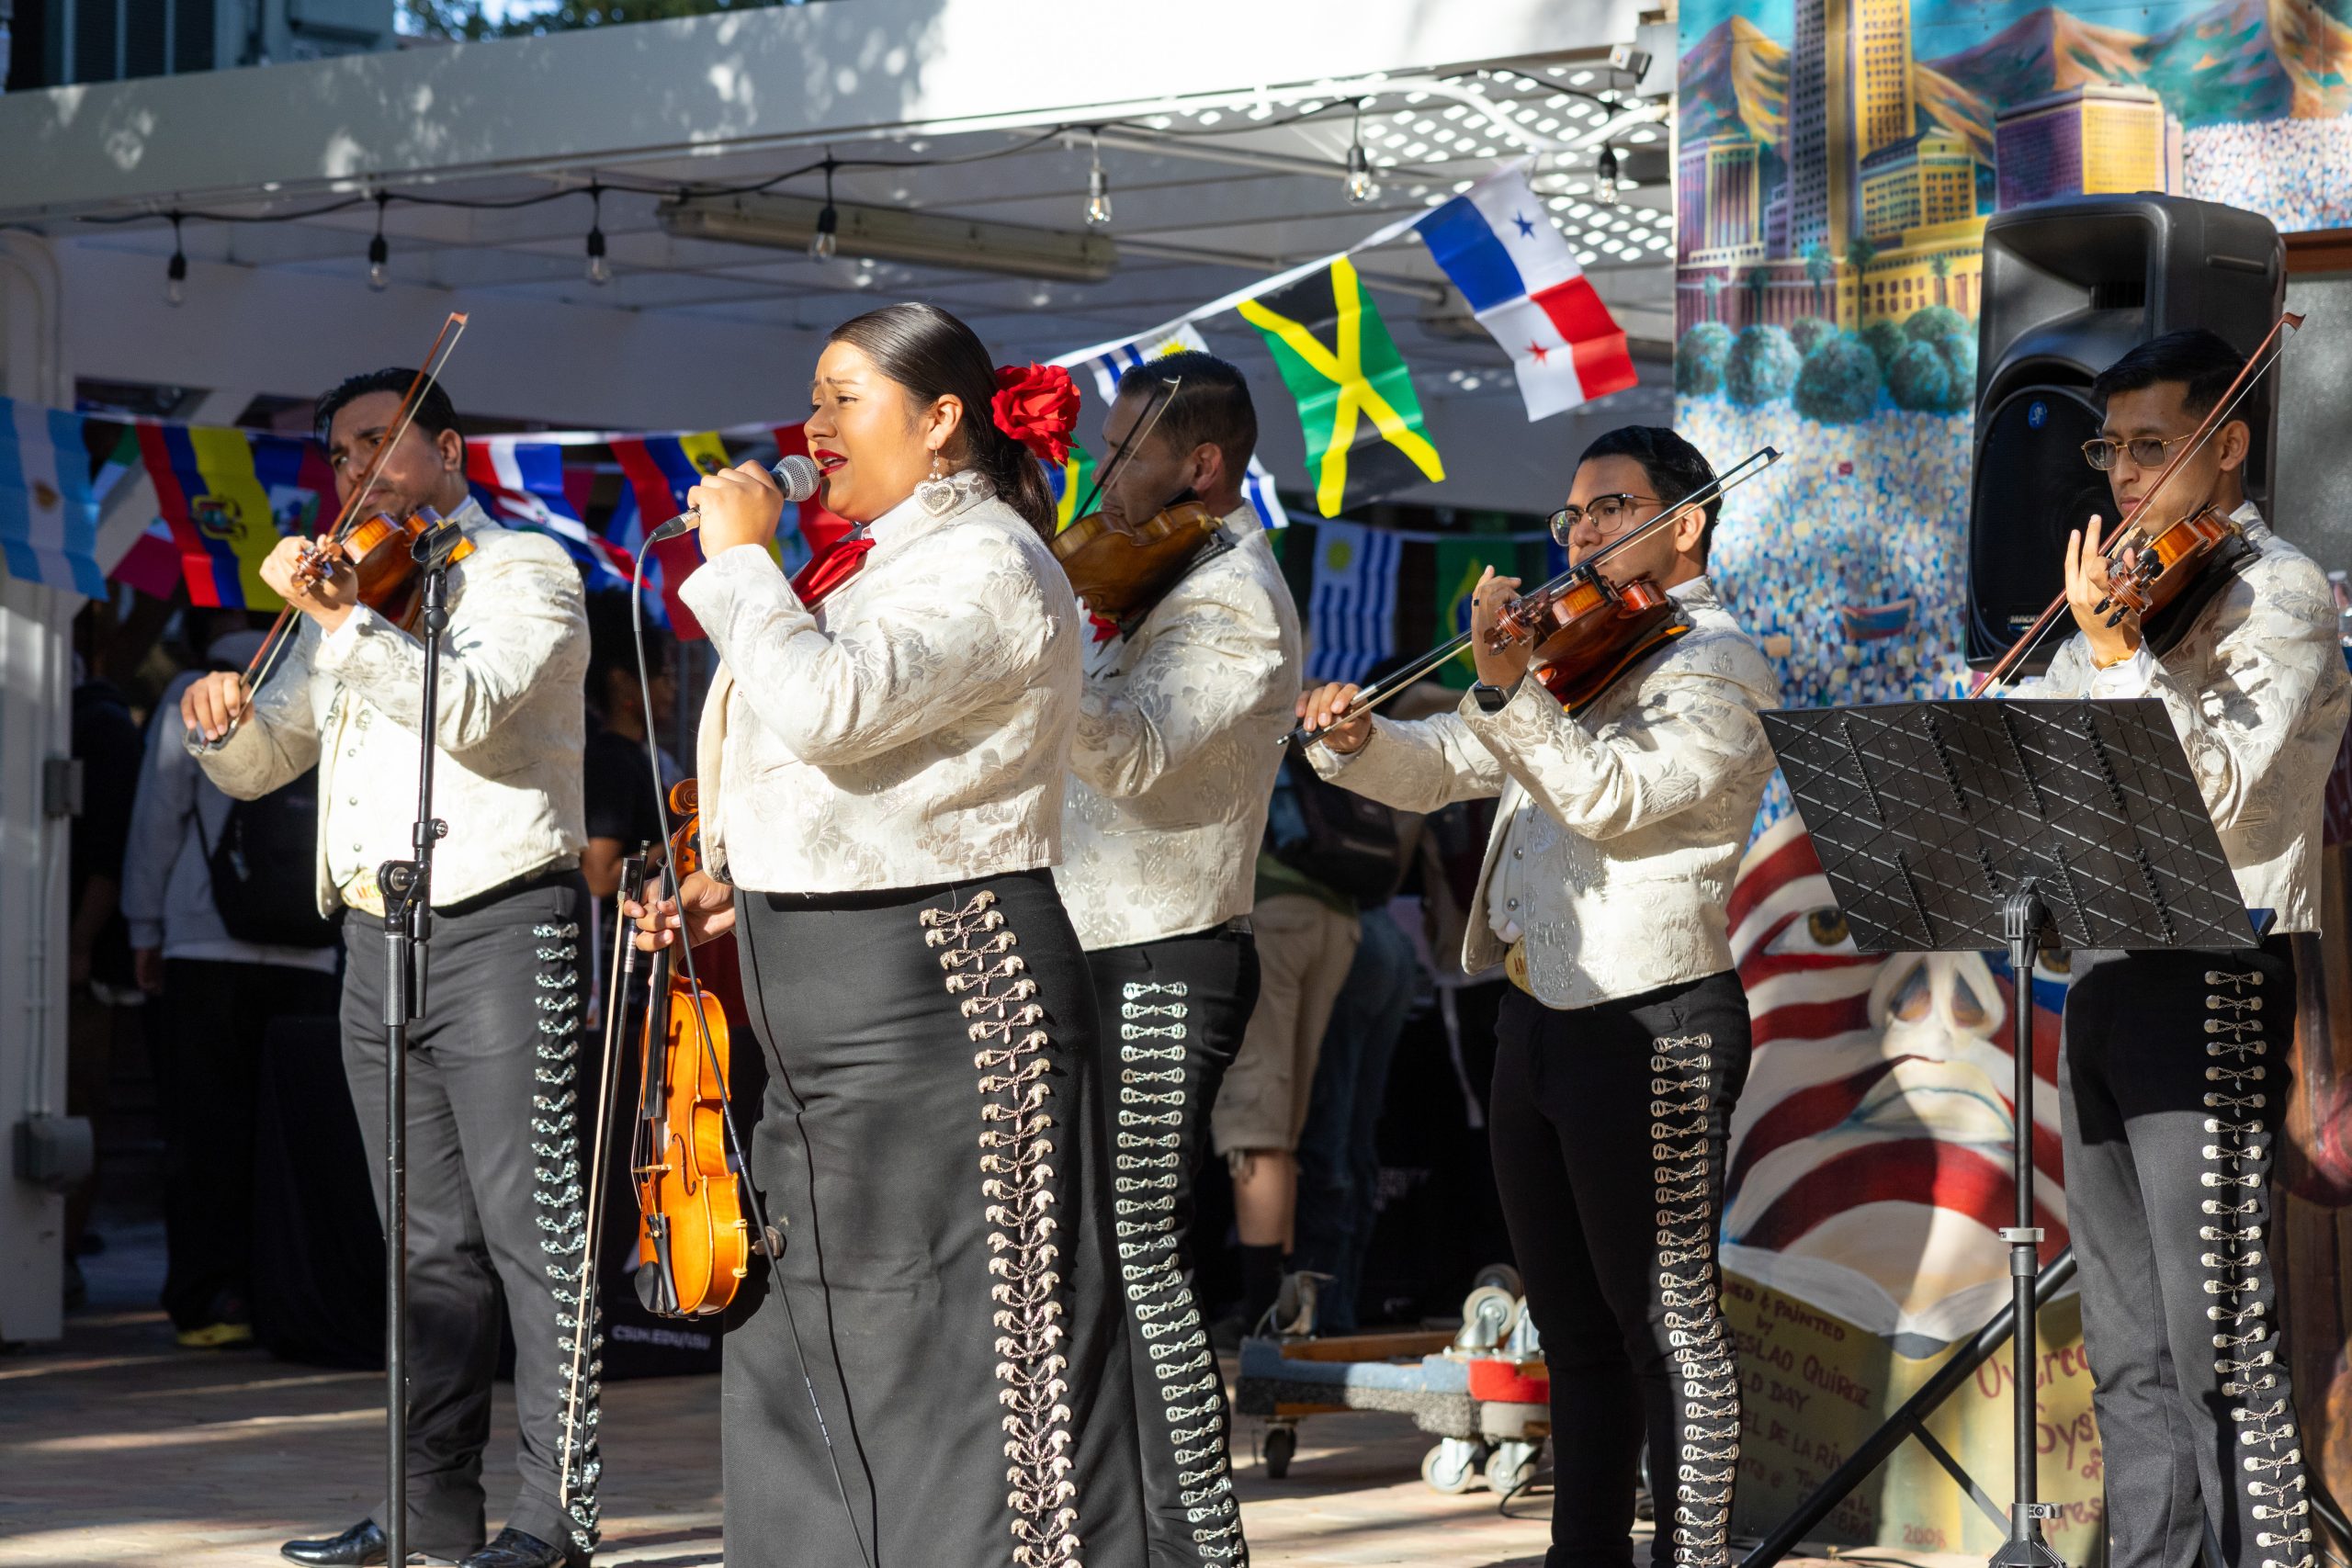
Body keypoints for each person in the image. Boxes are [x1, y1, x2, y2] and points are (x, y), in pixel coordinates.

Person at [629, 302, 1147, 1566]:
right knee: (799, 1345)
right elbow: (846, 774)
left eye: (844, 396)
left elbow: (835, 706)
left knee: (960, 1358)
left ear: (942, 417)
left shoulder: (992, 561)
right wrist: (728, 874)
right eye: (813, 396)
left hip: (943, 991)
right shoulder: (871, 563)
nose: (812, 427)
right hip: (818, 993)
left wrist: (742, 557)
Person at [1296, 426, 1781, 1568]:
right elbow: (1446, 767)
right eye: (1572, 517)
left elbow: (1614, 799)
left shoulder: (1722, 665)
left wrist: (1517, 695)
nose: (1582, 536)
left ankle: (1693, 1556)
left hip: (1654, 1020)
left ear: (1686, 522)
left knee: (1667, 1327)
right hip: (1536, 1014)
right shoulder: (1575, 656)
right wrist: (1353, 746)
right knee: (1574, 1331)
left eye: (1611, 509)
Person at [182, 367, 594, 1568]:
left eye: (378, 441)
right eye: (340, 452)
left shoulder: (527, 571)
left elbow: (465, 709)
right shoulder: (355, 588)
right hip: (376, 928)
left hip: (505, 912)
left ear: (450, 450)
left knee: (534, 1235)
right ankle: (427, 1517)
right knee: (420, 1247)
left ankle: (557, 1519)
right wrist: (224, 727)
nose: (354, 469)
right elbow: (275, 759)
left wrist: (338, 620)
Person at [2019, 329, 2349, 1568]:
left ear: (2230, 444)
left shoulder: (2285, 595)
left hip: (2214, 969)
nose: (2124, 474)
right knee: (2128, 1345)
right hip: (2105, 974)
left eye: (2153, 445)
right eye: (2114, 446)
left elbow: (2204, 791)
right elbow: (2053, 749)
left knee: (2222, 1347)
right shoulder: (2129, 594)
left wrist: (2117, 661)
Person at [1050, 350, 1300, 1567]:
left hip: (1168, 951)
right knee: (1091, 1264)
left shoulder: (1235, 593)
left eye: (1123, 450)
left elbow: (1141, 755)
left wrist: (1035, 655)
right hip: (1091, 941)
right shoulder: (1146, 583)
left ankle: (1205, 1546)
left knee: (1142, 1257)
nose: (1101, 476)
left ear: (1200, 462)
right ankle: (1119, 1538)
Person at [123, 610, 341, 1348]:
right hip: (313, 946)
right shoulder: (323, 682)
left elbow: (158, 823)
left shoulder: (193, 689)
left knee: (206, 1129)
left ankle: (208, 1298)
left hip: (205, 942)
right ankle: (280, 1290)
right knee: (289, 1134)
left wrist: (144, 929)